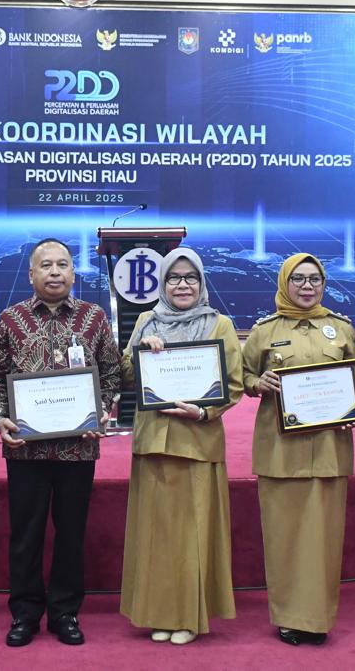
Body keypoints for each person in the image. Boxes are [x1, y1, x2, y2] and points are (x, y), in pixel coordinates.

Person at [0, 238, 121, 647]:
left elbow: (111, 374)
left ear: (73, 272)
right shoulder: (10, 319)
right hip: (25, 448)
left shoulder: (94, 318)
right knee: (25, 534)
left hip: (78, 447)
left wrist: (102, 410)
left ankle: (65, 612)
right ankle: (25, 613)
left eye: (63, 264)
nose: (55, 271)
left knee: (71, 533)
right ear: (31, 274)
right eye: (46, 265)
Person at [119, 247, 243, 645]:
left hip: (197, 442)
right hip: (153, 441)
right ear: (162, 283)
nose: (182, 285)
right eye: (174, 277)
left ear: (201, 282)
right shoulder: (146, 320)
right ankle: (160, 613)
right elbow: (125, 374)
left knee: (192, 535)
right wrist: (142, 351)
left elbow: (234, 383)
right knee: (156, 534)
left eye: (191, 277)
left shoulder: (219, 324)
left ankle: (189, 617)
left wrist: (204, 412)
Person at [242, 253, 355, 646]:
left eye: (314, 279)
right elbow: (240, 374)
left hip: (329, 451)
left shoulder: (341, 329)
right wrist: (257, 383)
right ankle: (289, 618)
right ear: (284, 283)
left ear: (323, 284)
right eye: (298, 279)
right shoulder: (264, 331)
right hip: (280, 451)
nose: (307, 286)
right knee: (285, 537)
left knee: (325, 538)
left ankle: (318, 618)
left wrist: (352, 410)